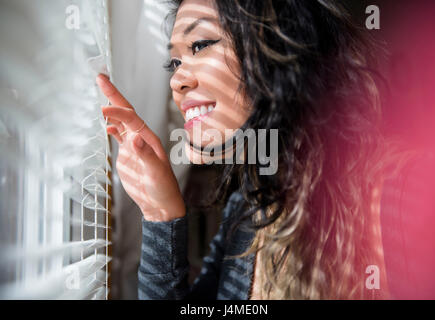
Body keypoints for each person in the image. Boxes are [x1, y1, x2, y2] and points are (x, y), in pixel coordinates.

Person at [97, 0, 393, 299]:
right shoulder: (248, 208)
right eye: (174, 63)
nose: (176, 80)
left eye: (199, 45)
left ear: (279, 48)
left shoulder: (393, 198)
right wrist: (160, 212)